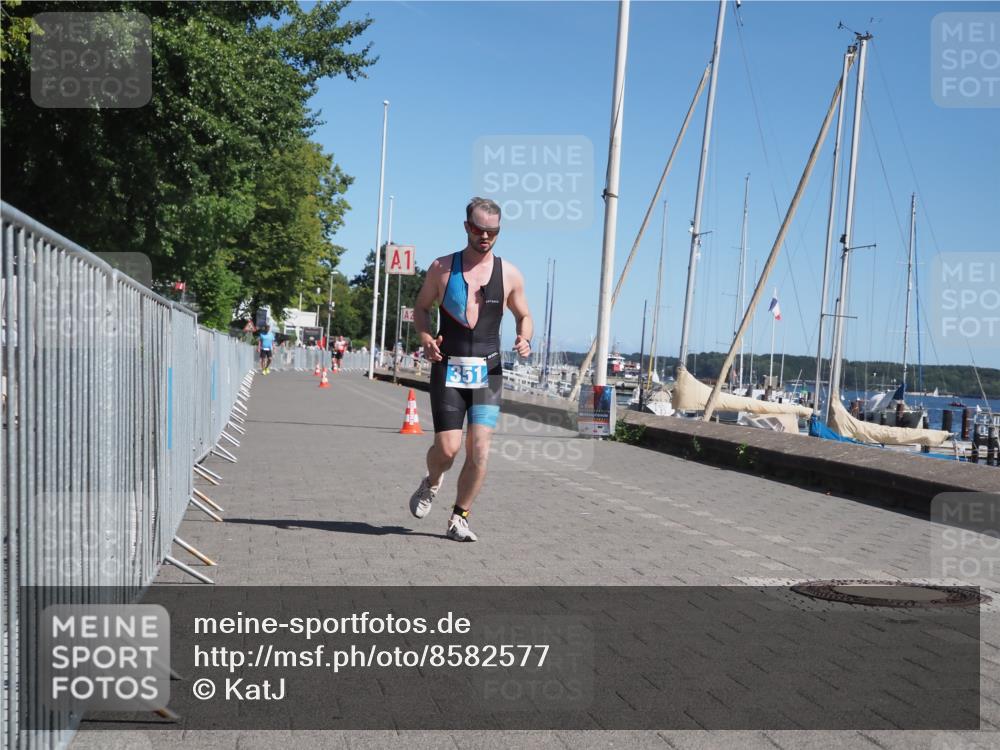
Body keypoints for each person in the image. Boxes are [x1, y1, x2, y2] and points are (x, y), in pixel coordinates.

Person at [408, 197, 532, 542]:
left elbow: (525, 314)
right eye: (478, 229)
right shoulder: (441, 268)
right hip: (448, 367)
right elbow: (421, 308)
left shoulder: (509, 273)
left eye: (492, 231)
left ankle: (459, 518)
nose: (485, 236)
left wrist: (524, 337)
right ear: (466, 227)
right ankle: (432, 482)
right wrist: (424, 337)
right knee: (448, 449)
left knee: (479, 450)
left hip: (488, 373)